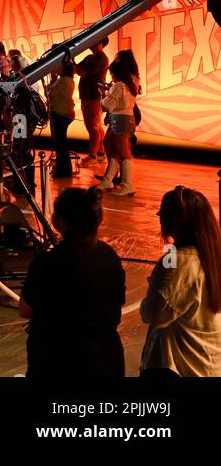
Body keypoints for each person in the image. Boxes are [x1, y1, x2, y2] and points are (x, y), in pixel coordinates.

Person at [20, 187, 125, 377]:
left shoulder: (47, 262)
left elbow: (25, 310)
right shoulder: (110, 256)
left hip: (58, 359)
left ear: (60, 221)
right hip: (105, 358)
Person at [140, 186, 221, 376]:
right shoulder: (213, 256)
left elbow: (153, 314)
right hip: (210, 362)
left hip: (181, 366)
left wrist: (153, 287)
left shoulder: (178, 261)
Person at [95, 49, 139, 196]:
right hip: (123, 119)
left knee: (123, 153)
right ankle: (108, 179)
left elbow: (107, 105)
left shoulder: (119, 86)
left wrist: (103, 94)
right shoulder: (132, 81)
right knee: (112, 148)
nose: (111, 76)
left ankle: (128, 185)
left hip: (121, 120)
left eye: (112, 73)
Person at [76, 36, 110, 166]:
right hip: (87, 95)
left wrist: (76, 66)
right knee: (95, 126)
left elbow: (83, 72)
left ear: (101, 43)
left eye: (96, 41)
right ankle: (101, 154)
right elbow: (78, 70)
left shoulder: (101, 58)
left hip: (94, 96)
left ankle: (92, 156)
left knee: (92, 128)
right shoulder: (90, 57)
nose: (92, 43)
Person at [45, 58, 77, 179]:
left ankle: (64, 170)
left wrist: (52, 80)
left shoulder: (63, 81)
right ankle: (63, 169)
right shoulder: (67, 80)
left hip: (60, 113)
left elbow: (49, 93)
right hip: (63, 113)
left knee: (60, 144)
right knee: (61, 143)